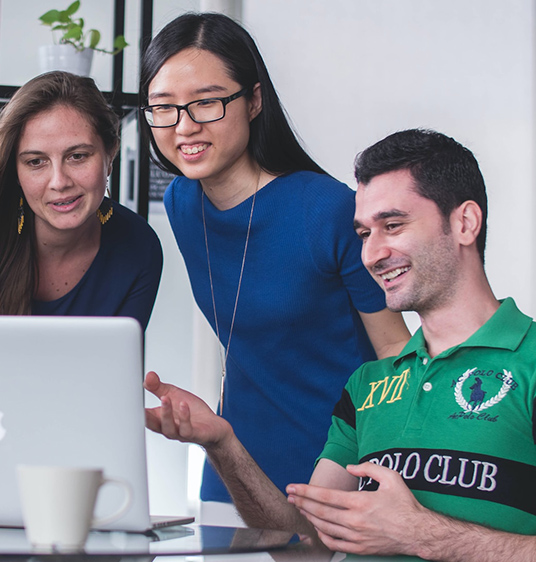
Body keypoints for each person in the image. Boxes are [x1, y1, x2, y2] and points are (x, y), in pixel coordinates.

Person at [146, 129, 536, 560]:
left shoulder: (530, 362)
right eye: (364, 234)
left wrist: (421, 533)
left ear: (464, 223)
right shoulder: (367, 385)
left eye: (393, 225)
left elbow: (412, 534)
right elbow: (306, 549)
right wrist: (223, 444)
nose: (372, 254)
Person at [139, 12, 410, 515]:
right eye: (164, 108)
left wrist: (387, 478)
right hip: (233, 471)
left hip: (336, 473)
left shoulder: (326, 210)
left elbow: (396, 353)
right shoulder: (182, 202)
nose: (185, 126)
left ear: (255, 99)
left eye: (207, 103)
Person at [0, 71, 162, 330]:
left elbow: (116, 366)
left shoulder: (139, 247)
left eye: (77, 156)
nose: (59, 181)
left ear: (110, 154)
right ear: (15, 171)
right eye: (36, 162)